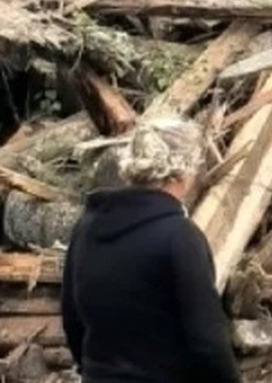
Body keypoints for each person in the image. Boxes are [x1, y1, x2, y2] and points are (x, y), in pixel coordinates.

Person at [61, 118, 240, 383]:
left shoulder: (86, 228)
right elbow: (208, 343)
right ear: (183, 171)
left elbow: (72, 318)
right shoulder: (180, 237)